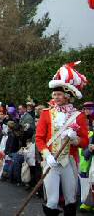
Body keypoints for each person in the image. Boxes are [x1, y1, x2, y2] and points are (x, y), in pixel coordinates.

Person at [36, 61, 89, 215]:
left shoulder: (78, 116)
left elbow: (84, 141)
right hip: (51, 162)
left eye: (59, 94)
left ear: (67, 96)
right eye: (54, 94)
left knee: (70, 199)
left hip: (69, 162)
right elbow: (39, 139)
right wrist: (47, 155)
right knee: (52, 201)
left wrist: (74, 139)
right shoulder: (46, 113)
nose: (56, 97)